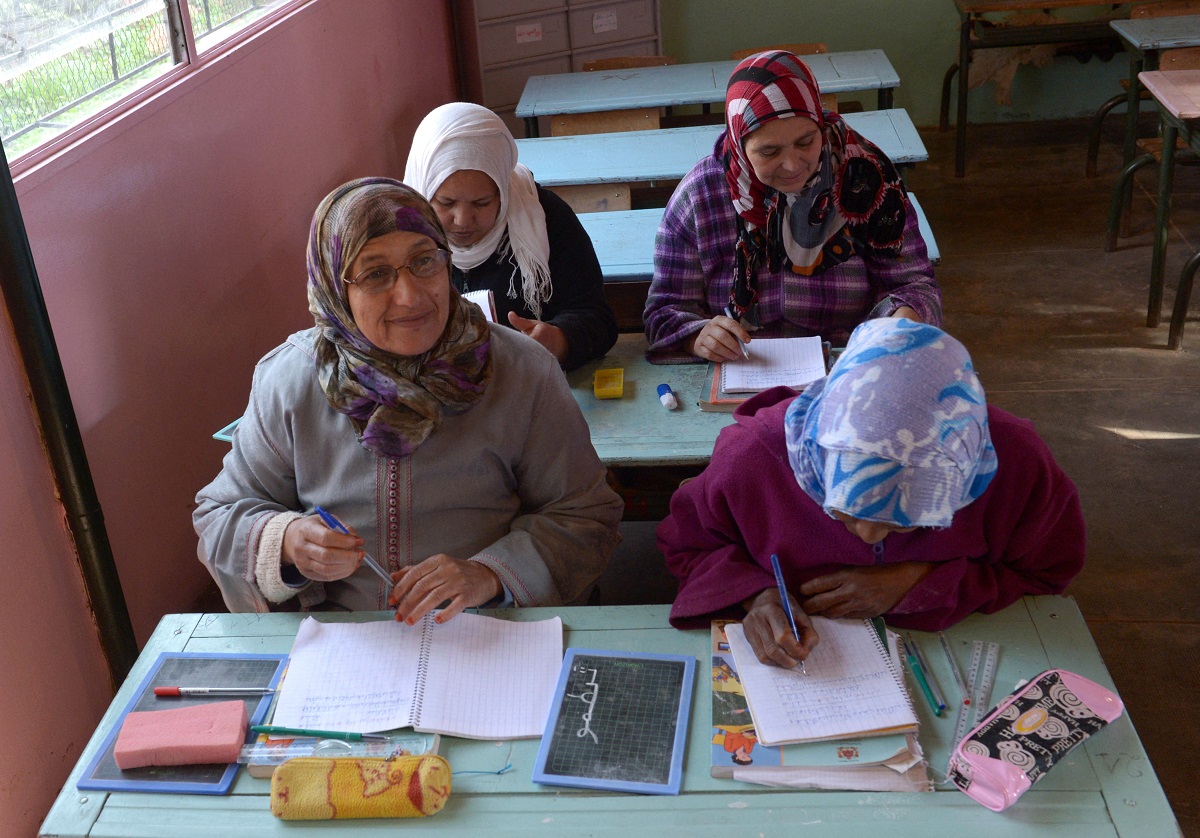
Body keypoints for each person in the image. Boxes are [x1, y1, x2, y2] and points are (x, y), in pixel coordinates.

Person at [194, 177, 623, 620]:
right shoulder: (291, 382)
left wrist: (489, 574)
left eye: (425, 261)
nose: (411, 296)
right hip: (341, 644)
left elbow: (585, 514)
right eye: (376, 273)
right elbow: (220, 516)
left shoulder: (520, 371)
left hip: (483, 630)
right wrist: (285, 540)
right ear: (335, 289)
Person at [658, 318, 1085, 667]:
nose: (868, 538)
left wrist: (924, 579)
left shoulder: (1016, 466)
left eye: (909, 523)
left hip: (963, 654)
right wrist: (755, 594)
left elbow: (1045, 570)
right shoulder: (755, 460)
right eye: (843, 512)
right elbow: (688, 544)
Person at [643, 50, 941, 363]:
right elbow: (665, 311)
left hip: (849, 363)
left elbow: (914, 286)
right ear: (739, 143)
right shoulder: (700, 195)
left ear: (819, 122)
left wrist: (902, 321)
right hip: (741, 368)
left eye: (805, 142)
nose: (791, 165)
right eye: (769, 152)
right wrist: (697, 335)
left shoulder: (866, 180)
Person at [404, 102, 618, 371]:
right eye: (446, 203)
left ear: (503, 192)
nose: (462, 221)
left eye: (482, 203)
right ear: (422, 187)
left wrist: (559, 340)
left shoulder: (544, 217)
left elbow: (597, 319)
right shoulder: (402, 234)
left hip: (529, 384)